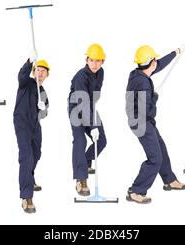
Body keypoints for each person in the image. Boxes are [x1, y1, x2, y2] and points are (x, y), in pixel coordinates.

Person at [125, 45, 185, 204]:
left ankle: (169, 180)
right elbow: (148, 110)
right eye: (154, 61)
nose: (156, 63)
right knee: (155, 159)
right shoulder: (144, 83)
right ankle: (136, 190)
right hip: (141, 122)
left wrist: (175, 53)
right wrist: (155, 97)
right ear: (151, 62)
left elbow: (158, 65)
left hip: (143, 121)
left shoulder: (137, 73)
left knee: (161, 149)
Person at [68, 43, 107, 196]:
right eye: (92, 60)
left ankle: (83, 162)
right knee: (80, 140)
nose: (95, 64)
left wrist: (93, 122)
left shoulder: (101, 72)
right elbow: (82, 103)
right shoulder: (80, 77)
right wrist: (92, 126)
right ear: (86, 60)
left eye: (98, 61)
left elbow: (93, 96)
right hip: (76, 109)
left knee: (102, 140)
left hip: (90, 108)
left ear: (103, 61)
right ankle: (80, 179)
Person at [14, 55, 50, 213]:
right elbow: (21, 75)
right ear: (33, 72)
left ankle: (30, 176)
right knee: (26, 156)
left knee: (37, 154)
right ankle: (26, 196)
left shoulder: (43, 92)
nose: (40, 73)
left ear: (47, 75)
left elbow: (44, 114)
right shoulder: (26, 84)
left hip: (35, 125)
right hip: (22, 123)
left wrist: (43, 108)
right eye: (38, 70)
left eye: (43, 71)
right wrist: (29, 62)